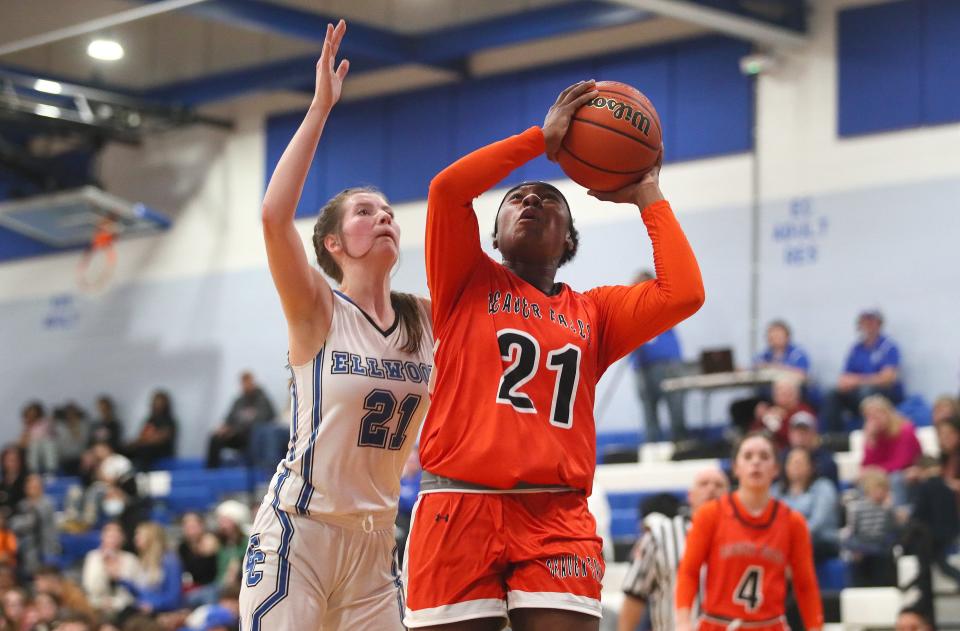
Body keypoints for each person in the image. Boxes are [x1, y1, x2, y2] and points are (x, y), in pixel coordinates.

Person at [404, 80, 704, 630]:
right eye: (517, 199)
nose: (532, 200)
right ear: (492, 236)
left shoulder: (596, 313)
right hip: (458, 506)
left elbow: (684, 292)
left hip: (557, 515)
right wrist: (538, 141)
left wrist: (647, 197)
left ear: (568, 242)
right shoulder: (465, 281)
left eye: (549, 201)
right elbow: (447, 189)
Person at [239, 20, 433, 631]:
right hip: (300, 535)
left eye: (388, 212)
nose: (384, 218)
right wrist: (321, 108)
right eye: (364, 211)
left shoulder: (426, 319)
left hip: (378, 544)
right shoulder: (318, 307)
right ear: (331, 243)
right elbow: (273, 217)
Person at [675, 432, 823, 631]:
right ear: (736, 468)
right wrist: (683, 621)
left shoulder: (793, 522)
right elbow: (688, 572)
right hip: (718, 624)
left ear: (776, 469)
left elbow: (805, 584)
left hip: (771, 625)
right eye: (748, 456)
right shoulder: (710, 515)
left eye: (764, 456)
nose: (756, 462)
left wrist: (815, 626)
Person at [618, 469, 729, 631]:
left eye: (719, 485)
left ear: (730, 497)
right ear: (690, 495)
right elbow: (635, 595)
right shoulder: (660, 534)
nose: (711, 489)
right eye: (704, 484)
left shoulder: (741, 539)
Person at [629, 270, 689, 442]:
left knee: (675, 406)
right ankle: (652, 448)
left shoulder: (664, 300)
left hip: (668, 363)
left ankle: (681, 444)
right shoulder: (630, 308)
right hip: (642, 366)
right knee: (649, 410)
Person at [823, 310, 904, 433]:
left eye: (871, 322)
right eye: (864, 322)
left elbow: (888, 378)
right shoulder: (856, 349)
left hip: (885, 394)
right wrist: (850, 382)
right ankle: (833, 437)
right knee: (832, 394)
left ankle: (869, 432)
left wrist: (858, 381)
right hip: (859, 392)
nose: (868, 326)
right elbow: (844, 379)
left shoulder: (888, 346)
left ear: (879, 324)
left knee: (867, 392)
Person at [730, 321, 811, 432]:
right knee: (739, 407)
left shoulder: (797, 354)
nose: (774, 339)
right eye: (771, 336)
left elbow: (803, 375)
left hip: (791, 397)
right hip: (769, 397)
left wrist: (775, 367)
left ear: (787, 337)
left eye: (778, 335)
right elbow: (754, 368)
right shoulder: (764, 355)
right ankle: (747, 436)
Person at [776, 447, 839, 561]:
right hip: (786, 540)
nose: (796, 466)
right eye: (792, 462)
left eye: (800, 462)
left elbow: (818, 522)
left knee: (799, 548)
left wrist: (792, 536)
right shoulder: (776, 491)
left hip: (821, 541)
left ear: (811, 467)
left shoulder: (823, 487)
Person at [205, 372, 276, 469]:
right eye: (243, 383)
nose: (246, 385)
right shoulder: (238, 401)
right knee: (215, 437)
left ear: (253, 382)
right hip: (236, 436)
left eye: (248, 382)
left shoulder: (262, 399)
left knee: (255, 433)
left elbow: (264, 419)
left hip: (252, 436)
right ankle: (211, 471)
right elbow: (228, 419)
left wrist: (235, 430)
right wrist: (223, 428)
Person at [842, 466, 899, 587]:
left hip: (880, 551)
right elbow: (851, 533)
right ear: (868, 489)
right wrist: (856, 548)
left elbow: (891, 533)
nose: (880, 492)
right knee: (858, 559)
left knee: (885, 559)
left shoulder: (887, 510)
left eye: (883, 488)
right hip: (861, 549)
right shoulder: (855, 508)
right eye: (877, 488)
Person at [860, 395, 922, 506]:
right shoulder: (874, 436)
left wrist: (875, 471)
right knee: (864, 480)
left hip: (908, 473)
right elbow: (866, 465)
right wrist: (870, 442)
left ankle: (897, 516)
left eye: (877, 414)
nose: (874, 420)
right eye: (869, 417)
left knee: (895, 478)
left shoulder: (905, 430)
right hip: (885, 474)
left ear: (888, 413)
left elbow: (901, 462)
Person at [116, 522, 182, 615]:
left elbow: (174, 597)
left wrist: (154, 606)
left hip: (161, 611)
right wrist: (121, 579)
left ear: (151, 538)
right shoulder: (143, 560)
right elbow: (141, 593)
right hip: (142, 608)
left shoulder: (169, 560)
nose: (135, 538)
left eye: (139, 535)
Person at [81, 521, 140, 615]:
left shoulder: (131, 559)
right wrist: (103, 564)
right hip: (97, 605)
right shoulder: (93, 557)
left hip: (125, 607)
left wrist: (118, 576)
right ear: (102, 537)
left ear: (123, 538)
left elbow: (135, 590)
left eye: (116, 536)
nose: (113, 540)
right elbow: (90, 588)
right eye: (109, 536)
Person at [746, 376, 815, 451]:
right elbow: (753, 436)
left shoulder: (803, 411)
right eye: (780, 392)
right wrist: (761, 419)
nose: (784, 395)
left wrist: (777, 425)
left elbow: (799, 438)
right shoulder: (768, 411)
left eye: (788, 392)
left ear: (797, 394)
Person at [9, 474, 59, 577]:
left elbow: (35, 522)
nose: (32, 489)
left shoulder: (47, 504)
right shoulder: (21, 505)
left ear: (41, 488)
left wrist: (25, 521)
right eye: (29, 487)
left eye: (35, 487)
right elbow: (13, 525)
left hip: (44, 549)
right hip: (23, 551)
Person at [124, 391, 177, 471]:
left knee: (145, 449)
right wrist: (134, 443)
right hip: (146, 446)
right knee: (125, 449)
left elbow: (161, 438)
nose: (157, 404)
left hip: (162, 451)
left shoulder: (169, 420)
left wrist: (144, 441)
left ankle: (143, 475)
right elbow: (142, 435)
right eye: (155, 401)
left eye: (159, 402)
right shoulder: (150, 419)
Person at [785, 411, 839, 485]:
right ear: (790, 434)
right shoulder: (783, 457)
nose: (800, 436)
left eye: (804, 431)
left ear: (814, 434)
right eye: (797, 431)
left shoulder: (825, 461)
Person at [178, 512, 220, 607]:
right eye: (187, 527)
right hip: (192, 587)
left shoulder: (211, 541)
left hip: (212, 584)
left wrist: (206, 552)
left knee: (208, 594)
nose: (190, 530)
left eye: (193, 526)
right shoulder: (183, 547)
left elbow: (207, 571)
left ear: (202, 526)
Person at [19, 402, 57, 475]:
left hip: (46, 448)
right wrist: (27, 429)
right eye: (30, 414)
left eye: (34, 413)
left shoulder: (45, 422)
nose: (32, 415)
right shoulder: (26, 428)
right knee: (34, 445)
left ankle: (51, 471)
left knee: (48, 444)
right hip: (34, 450)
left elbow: (52, 435)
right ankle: (34, 471)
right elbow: (22, 444)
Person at [54, 402, 90, 476]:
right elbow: (59, 441)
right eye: (68, 413)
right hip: (64, 456)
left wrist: (74, 427)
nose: (70, 416)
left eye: (73, 413)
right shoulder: (60, 426)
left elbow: (83, 441)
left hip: (79, 455)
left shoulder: (83, 425)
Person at [0, 446, 26, 517]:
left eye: (14, 460)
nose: (11, 464)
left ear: (19, 462)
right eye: (8, 460)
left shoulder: (26, 481)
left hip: (19, 517)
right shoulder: (2, 483)